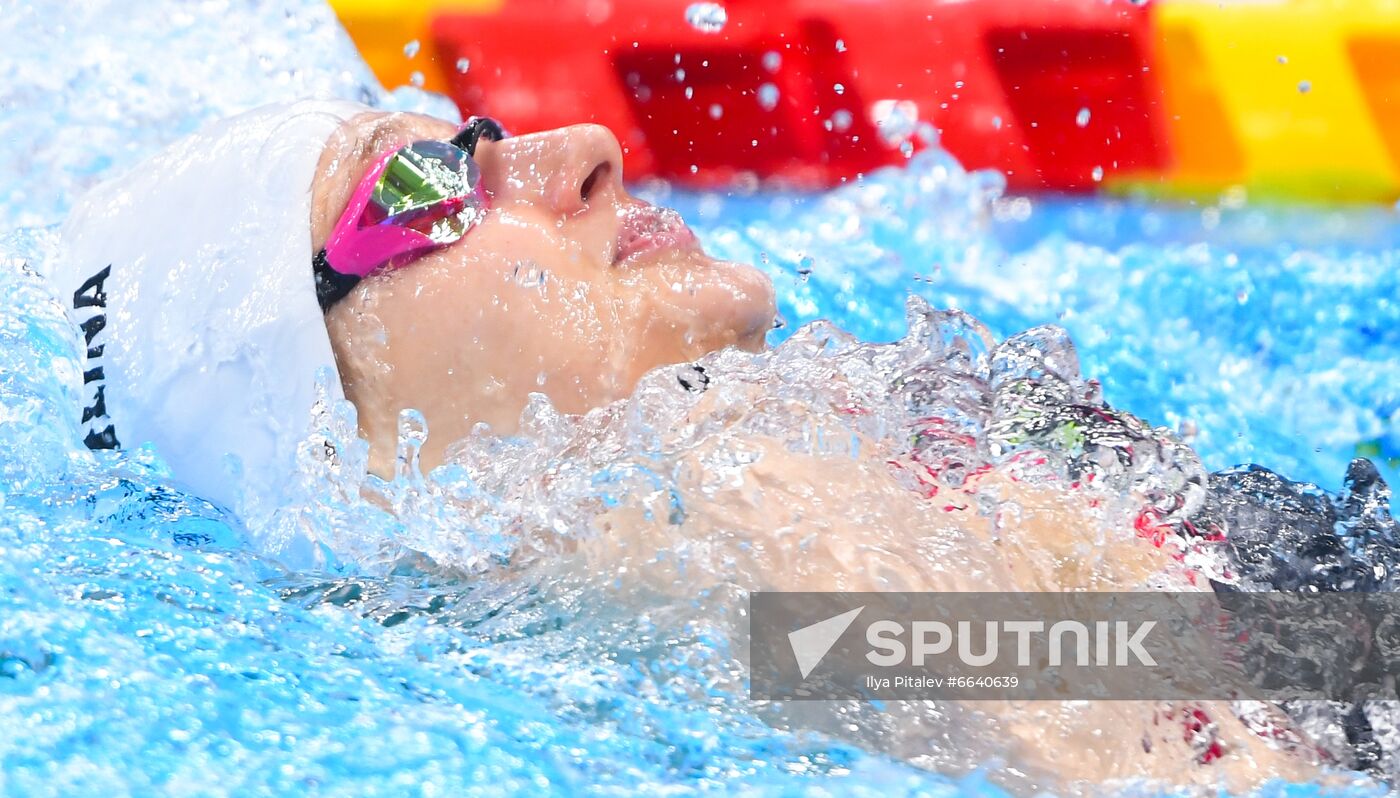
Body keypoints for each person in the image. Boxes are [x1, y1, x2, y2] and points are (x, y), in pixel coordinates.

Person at [46, 100, 1333, 792]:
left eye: (473, 137)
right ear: (342, 450)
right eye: (421, 187)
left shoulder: (785, 485)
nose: (583, 150)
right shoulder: (765, 567)